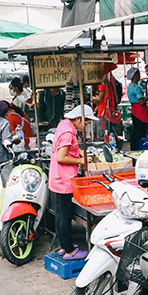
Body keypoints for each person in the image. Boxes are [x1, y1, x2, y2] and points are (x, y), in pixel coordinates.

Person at [49, 105, 98, 260]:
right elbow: (61, 157)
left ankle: (64, 246)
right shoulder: (68, 132)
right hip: (63, 179)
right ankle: (70, 251)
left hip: (57, 177)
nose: (86, 126)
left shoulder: (64, 124)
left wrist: (81, 153)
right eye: (86, 122)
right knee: (65, 215)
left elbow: (68, 150)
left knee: (60, 214)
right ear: (78, 119)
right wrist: (79, 160)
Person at [126, 67, 148, 150]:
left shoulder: (129, 87)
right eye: (138, 74)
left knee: (135, 131)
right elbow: (142, 102)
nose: (140, 76)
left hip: (134, 111)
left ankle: (134, 147)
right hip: (140, 111)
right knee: (141, 132)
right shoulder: (137, 88)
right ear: (135, 75)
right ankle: (140, 148)